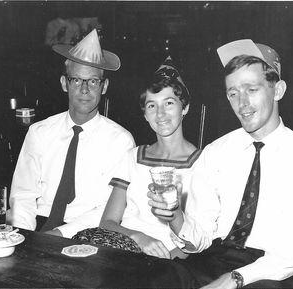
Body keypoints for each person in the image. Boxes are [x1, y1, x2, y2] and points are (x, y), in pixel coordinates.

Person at [148, 39, 293, 288]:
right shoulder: (215, 153)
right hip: (214, 257)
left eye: (251, 90)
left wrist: (235, 279)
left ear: (278, 90)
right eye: (233, 93)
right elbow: (199, 237)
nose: (241, 103)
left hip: (271, 271)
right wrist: (175, 216)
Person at [8, 29, 135, 238]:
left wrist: (59, 235)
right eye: (76, 80)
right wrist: (25, 238)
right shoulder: (39, 132)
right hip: (35, 228)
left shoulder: (120, 141)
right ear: (64, 83)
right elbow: (23, 195)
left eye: (93, 81)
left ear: (104, 87)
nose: (84, 89)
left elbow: (108, 208)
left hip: (88, 233)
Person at [73, 56, 202, 259]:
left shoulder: (201, 163)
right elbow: (107, 223)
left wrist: (164, 261)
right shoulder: (133, 157)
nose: (160, 114)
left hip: (166, 259)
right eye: (152, 106)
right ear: (144, 114)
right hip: (122, 247)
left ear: (184, 108)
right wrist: (139, 238)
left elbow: (197, 240)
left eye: (169, 103)